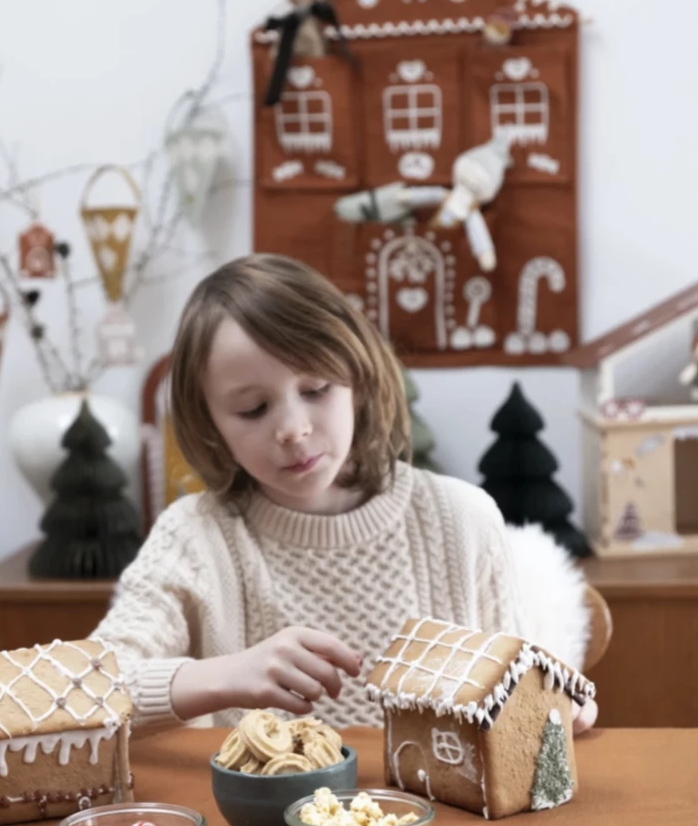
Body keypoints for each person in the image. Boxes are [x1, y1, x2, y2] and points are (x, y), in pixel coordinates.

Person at [94, 254, 597, 734]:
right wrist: (220, 677)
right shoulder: (195, 537)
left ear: (358, 379)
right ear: (210, 425)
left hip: (435, 820)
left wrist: (551, 709)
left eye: (316, 389)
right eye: (252, 409)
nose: (292, 428)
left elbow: (516, 699)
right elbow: (82, 692)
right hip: (263, 825)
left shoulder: (460, 519)